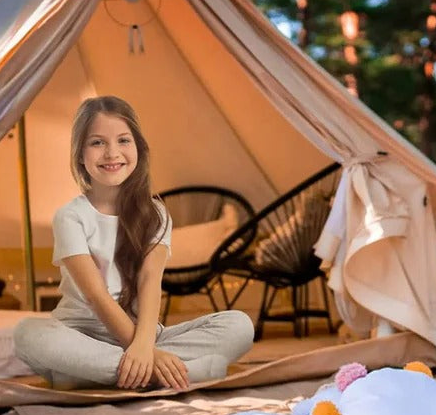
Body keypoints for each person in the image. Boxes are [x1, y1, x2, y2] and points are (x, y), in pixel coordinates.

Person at [13, 95, 255, 390]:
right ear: (80, 155)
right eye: (97, 142)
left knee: (239, 325)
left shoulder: (156, 214)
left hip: (144, 333)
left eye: (123, 140)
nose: (112, 153)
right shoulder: (70, 216)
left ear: (138, 147)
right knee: (27, 333)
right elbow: (96, 296)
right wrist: (150, 354)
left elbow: (150, 281)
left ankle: (88, 375)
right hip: (80, 335)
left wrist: (144, 345)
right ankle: (174, 372)